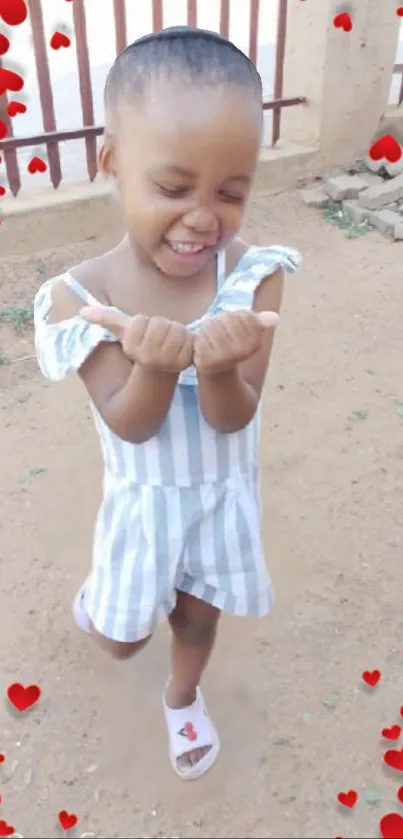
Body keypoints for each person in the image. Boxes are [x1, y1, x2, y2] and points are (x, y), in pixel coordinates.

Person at [34, 26, 300, 781]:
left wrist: (217, 367)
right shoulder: (81, 297)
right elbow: (131, 419)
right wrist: (154, 365)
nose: (202, 218)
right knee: (121, 637)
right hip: (143, 500)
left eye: (232, 191)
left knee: (196, 613)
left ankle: (182, 696)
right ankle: (101, 611)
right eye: (173, 187)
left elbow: (233, 414)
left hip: (220, 495)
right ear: (112, 161)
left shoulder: (254, 277)